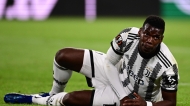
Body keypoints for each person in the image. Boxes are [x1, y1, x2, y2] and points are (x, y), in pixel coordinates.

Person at [4, 15, 179, 106]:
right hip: (115, 72)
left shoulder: (167, 66)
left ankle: (35, 100)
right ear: (141, 32)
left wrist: (146, 105)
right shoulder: (127, 35)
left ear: (161, 39)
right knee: (62, 56)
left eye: (155, 37)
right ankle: (51, 94)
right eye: (147, 34)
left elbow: (171, 103)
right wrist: (122, 92)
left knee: (69, 100)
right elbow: (109, 62)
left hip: (133, 99)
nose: (149, 40)